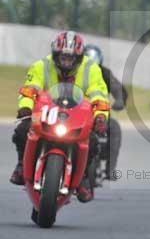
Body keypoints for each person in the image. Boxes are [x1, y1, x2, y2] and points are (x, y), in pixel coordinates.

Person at [10, 31, 109, 202]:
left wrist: (100, 117)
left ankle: (83, 178)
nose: (66, 62)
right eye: (63, 57)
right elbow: (29, 89)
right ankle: (21, 165)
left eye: (70, 59)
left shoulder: (91, 68)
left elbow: (99, 95)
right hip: (43, 114)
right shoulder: (41, 65)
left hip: (77, 117)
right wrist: (25, 108)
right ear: (55, 55)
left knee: (92, 141)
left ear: (78, 58)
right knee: (22, 130)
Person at [83, 44, 127, 179]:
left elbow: (117, 88)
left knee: (114, 128)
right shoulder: (74, 71)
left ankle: (110, 168)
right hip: (75, 114)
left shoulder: (105, 73)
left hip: (99, 115)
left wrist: (119, 100)